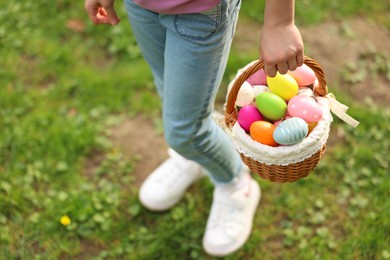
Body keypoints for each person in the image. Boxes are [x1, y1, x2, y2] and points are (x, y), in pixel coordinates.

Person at [85, 0, 303, 256]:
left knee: (185, 131)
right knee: (168, 86)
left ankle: (235, 183)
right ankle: (193, 159)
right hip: (140, 5)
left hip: (200, 11)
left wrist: (280, 21)